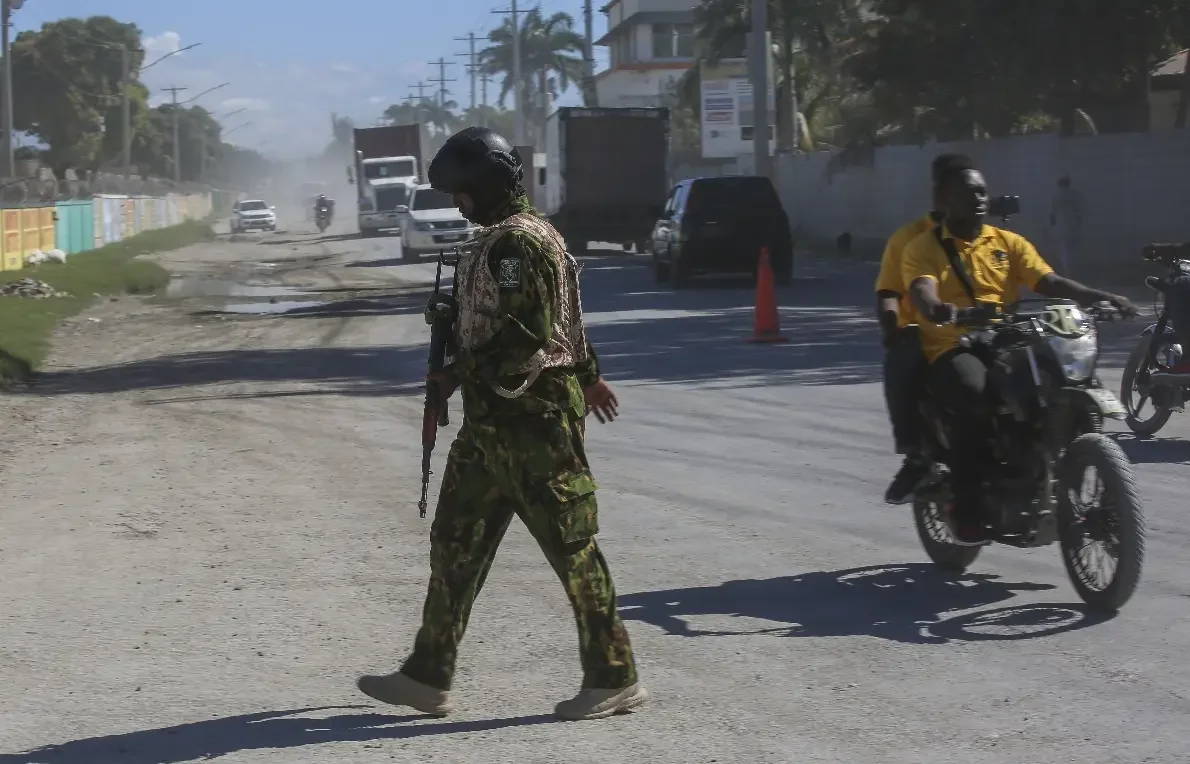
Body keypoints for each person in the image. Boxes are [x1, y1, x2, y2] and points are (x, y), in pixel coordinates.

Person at [356, 126, 646, 721]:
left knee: (572, 548)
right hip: (491, 429)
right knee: (455, 543)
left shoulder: (516, 244)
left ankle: (614, 676)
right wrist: (588, 373)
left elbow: (529, 334)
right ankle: (428, 673)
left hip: (533, 424)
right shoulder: (512, 237)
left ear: (484, 187)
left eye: (461, 192)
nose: (458, 205)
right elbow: (560, 320)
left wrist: (455, 372)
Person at [901, 161, 1137, 545]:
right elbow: (923, 289)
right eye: (968, 192)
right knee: (974, 395)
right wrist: (938, 309)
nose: (979, 198)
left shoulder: (1007, 242)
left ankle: (1056, 467)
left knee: (1057, 378)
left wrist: (1103, 297)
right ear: (944, 199)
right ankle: (966, 508)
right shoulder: (924, 248)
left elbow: (1050, 281)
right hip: (951, 342)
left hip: (1006, 336)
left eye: (982, 191)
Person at [875, 152, 973, 504]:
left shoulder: (993, 238)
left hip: (982, 329)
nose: (972, 198)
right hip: (926, 330)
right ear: (940, 194)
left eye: (975, 188)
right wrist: (891, 328)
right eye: (959, 188)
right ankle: (916, 455)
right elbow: (889, 291)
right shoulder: (910, 239)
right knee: (902, 360)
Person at [1049, 175, 1083, 275]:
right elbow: (1078, 211)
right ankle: (1073, 269)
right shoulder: (1074, 194)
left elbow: (1052, 212)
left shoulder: (1056, 195)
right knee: (1073, 247)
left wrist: (1053, 225)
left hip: (1061, 224)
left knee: (1064, 249)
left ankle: (1067, 270)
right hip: (1072, 223)